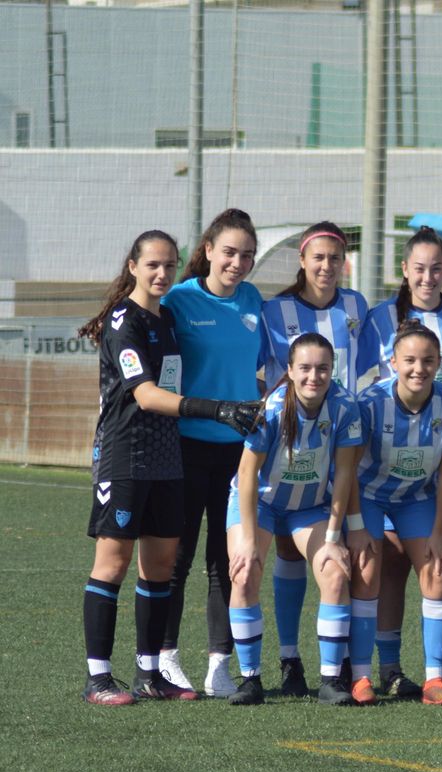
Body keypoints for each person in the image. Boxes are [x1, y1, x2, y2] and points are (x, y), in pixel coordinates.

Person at [76, 230, 258, 704]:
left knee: (159, 565)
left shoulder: (169, 317)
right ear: (133, 267)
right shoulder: (124, 320)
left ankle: (149, 673)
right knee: (113, 564)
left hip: (166, 457)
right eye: (152, 265)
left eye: (169, 266)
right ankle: (98, 678)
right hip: (124, 456)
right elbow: (146, 395)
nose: (161, 274)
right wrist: (217, 409)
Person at [355, 226, 442, 699]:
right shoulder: (370, 403)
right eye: (409, 361)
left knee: (438, 565)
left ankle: (435, 678)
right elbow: (348, 467)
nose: (418, 368)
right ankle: (364, 673)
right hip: (369, 495)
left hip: (417, 496)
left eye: (428, 361)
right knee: (370, 568)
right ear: (393, 361)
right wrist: (349, 522)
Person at [257, 221, 368, 697]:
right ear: (302, 261)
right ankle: (290, 660)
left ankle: (344, 664)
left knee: (345, 556)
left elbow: (364, 371)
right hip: (288, 450)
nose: (326, 266)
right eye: (318, 257)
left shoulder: (356, 306)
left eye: (335, 258)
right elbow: (261, 375)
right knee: (287, 551)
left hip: (341, 443)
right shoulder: (274, 311)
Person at [223, 333, 365, 705]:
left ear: (332, 370)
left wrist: (333, 536)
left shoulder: (345, 406)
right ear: (289, 370)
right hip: (261, 503)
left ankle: (331, 681)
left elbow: (345, 474)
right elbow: (247, 474)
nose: (313, 377)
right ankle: (250, 680)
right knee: (245, 571)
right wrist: (249, 540)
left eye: (322, 368)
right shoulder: (271, 408)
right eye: (304, 368)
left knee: (335, 571)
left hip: (310, 506)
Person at [160, 208, 265, 697]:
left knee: (227, 561)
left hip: (239, 454)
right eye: (229, 252)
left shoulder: (253, 300)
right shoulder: (179, 299)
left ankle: (219, 665)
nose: (237, 263)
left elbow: (257, 367)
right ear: (207, 251)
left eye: (247, 255)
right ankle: (165, 658)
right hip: (186, 446)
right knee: (176, 557)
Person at [357, 226, 442, 387]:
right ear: (405, 269)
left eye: (436, 269)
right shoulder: (381, 317)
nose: (428, 278)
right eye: (419, 269)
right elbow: (350, 369)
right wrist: (377, 391)